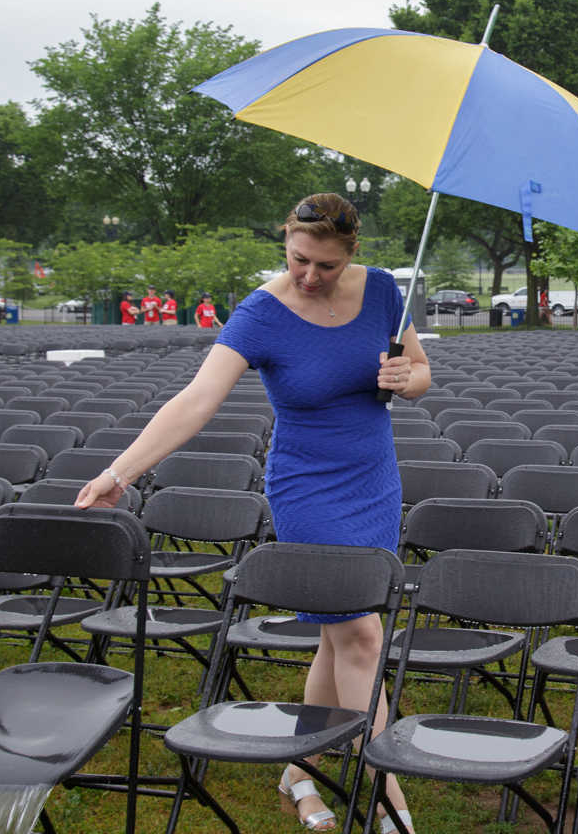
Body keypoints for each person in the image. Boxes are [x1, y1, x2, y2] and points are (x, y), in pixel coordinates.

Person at [75, 193, 429, 834]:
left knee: (339, 633)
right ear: (286, 244)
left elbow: (423, 371)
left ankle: (300, 771)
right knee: (362, 635)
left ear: (352, 254)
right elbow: (195, 401)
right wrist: (117, 474)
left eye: (326, 265)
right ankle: (387, 797)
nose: (309, 276)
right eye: (298, 259)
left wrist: (408, 379)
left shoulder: (381, 290)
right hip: (307, 488)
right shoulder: (261, 313)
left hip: (373, 480)